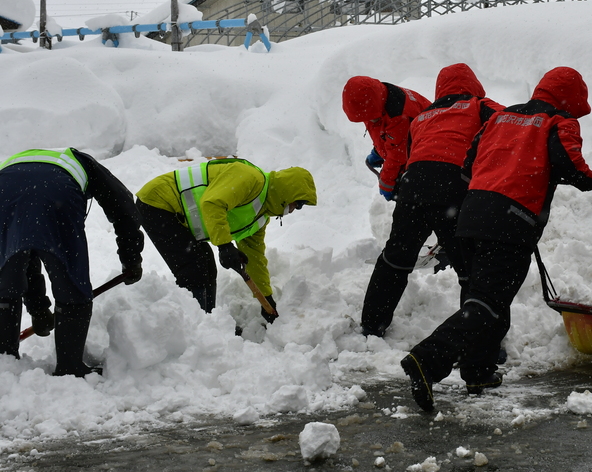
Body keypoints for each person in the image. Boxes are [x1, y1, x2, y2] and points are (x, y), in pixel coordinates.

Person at [400, 67, 592, 412]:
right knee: (490, 303)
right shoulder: (557, 122)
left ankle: (479, 371)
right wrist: (590, 179)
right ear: (570, 99)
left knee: (484, 298)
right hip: (512, 219)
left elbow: (467, 164)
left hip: (470, 213)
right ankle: (428, 359)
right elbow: (568, 162)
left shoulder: (502, 116)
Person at [360, 63, 503, 337]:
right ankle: (477, 341)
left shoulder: (424, 116)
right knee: (469, 269)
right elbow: (506, 126)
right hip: (452, 186)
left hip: (413, 186)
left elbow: (410, 153)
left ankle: (371, 325)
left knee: (395, 258)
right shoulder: (480, 105)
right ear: (473, 84)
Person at [0, 148, 144, 376]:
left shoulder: (20, 162)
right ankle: (70, 367)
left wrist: (39, 311)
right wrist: (131, 258)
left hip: (3, 193)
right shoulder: (86, 164)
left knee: (6, 276)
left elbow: (26, 254)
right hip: (56, 192)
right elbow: (124, 209)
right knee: (70, 279)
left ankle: (4, 362)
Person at [135, 158, 316, 320]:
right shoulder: (250, 178)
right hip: (158, 203)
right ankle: (195, 327)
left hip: (177, 215)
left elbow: (255, 258)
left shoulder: (260, 217)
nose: (294, 210)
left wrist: (266, 298)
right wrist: (225, 246)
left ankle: (208, 323)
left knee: (205, 263)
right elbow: (212, 203)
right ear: (287, 193)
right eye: (298, 204)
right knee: (194, 268)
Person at [341, 76, 431, 201]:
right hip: (408, 147)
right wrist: (379, 150)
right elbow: (381, 128)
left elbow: (398, 156)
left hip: (426, 159)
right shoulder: (376, 98)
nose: (367, 120)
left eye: (368, 117)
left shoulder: (398, 114)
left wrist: (386, 184)